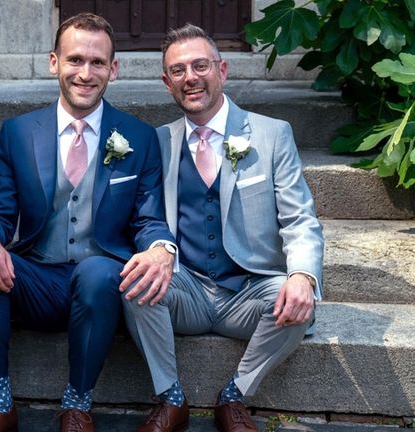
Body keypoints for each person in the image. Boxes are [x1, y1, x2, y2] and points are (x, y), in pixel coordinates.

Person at [0, 12, 176, 432]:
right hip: (37, 279)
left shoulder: (138, 136)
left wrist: (159, 248)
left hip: (101, 287)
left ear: (113, 70)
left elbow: (149, 219)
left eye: (98, 63)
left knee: (98, 271)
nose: (85, 73)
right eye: (75, 59)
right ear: (53, 62)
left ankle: (77, 404)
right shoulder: (18, 133)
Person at [120, 24, 324, 432]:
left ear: (223, 70)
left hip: (250, 289)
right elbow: (141, 216)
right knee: (134, 284)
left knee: (302, 306)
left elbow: (300, 218)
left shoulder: (271, 134)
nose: (190, 77)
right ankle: (170, 398)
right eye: (177, 71)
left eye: (200, 66)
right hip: (187, 290)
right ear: (166, 82)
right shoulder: (157, 142)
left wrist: (301, 275)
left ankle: (234, 396)